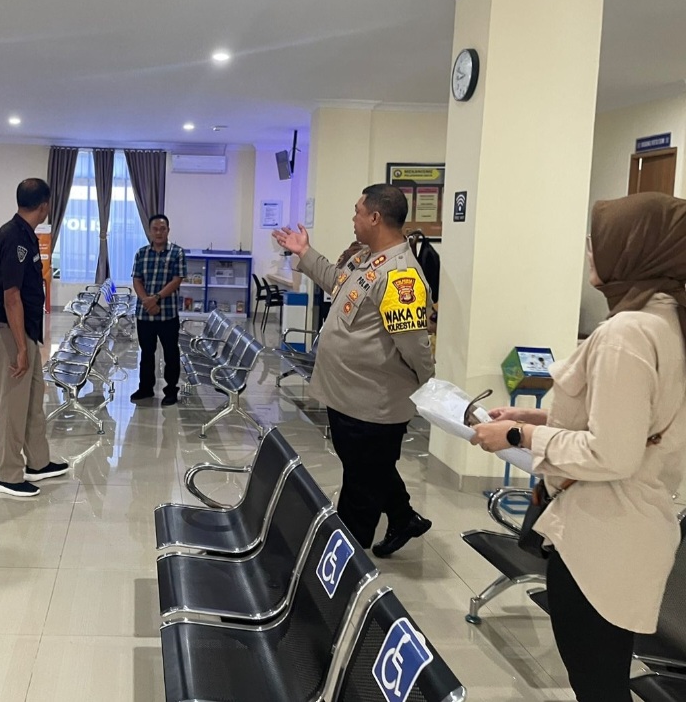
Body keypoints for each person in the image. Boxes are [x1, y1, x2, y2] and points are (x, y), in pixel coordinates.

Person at [471, 192, 686, 702]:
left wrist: (518, 437)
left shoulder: (628, 332)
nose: (590, 250)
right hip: (630, 532)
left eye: (601, 239)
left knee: (597, 683)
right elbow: (631, 426)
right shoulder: (665, 320)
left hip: (601, 539)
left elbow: (612, 452)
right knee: (602, 676)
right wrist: (536, 417)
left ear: (633, 248)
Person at [272, 183, 435, 557]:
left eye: (358, 212)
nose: (353, 218)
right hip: (349, 397)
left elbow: (414, 345)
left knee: (360, 489)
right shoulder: (368, 258)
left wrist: (428, 387)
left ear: (375, 217)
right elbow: (337, 282)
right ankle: (403, 517)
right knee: (369, 467)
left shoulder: (400, 276)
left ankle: (345, 566)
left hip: (373, 404)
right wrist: (304, 252)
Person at [0, 178, 68, 497]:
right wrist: (20, 348)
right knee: (13, 405)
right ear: (44, 205)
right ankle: (7, 474)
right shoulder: (13, 236)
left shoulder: (27, 234)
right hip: (10, 332)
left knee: (33, 400)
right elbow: (11, 296)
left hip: (25, 331)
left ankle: (38, 462)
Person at [130, 214, 186, 406]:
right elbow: (137, 280)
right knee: (146, 353)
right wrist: (146, 301)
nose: (159, 232)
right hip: (145, 314)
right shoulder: (141, 253)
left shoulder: (177, 253)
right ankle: (145, 388)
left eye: (163, 229)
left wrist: (155, 298)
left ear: (168, 230)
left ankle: (171, 390)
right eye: (155, 229)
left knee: (171, 353)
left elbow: (176, 280)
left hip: (168, 314)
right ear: (149, 231)